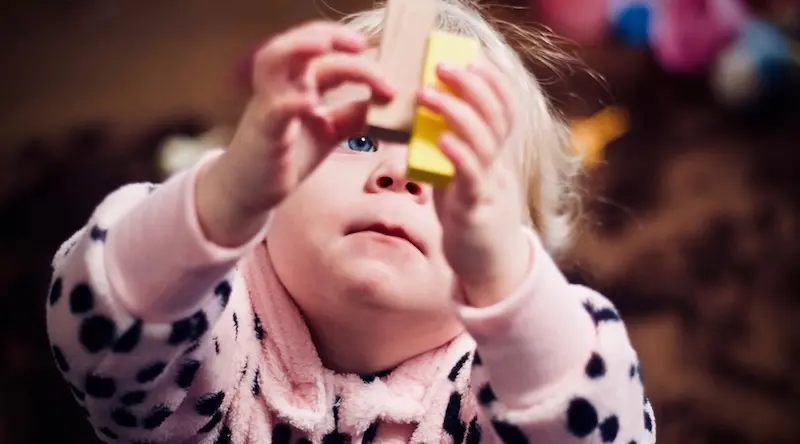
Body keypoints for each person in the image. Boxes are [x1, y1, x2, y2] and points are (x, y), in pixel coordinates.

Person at [45, 1, 656, 442]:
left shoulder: (495, 391)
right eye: (360, 140)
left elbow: (595, 428)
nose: (399, 174)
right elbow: (101, 331)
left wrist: (509, 287)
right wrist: (225, 196)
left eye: (449, 167)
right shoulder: (213, 327)